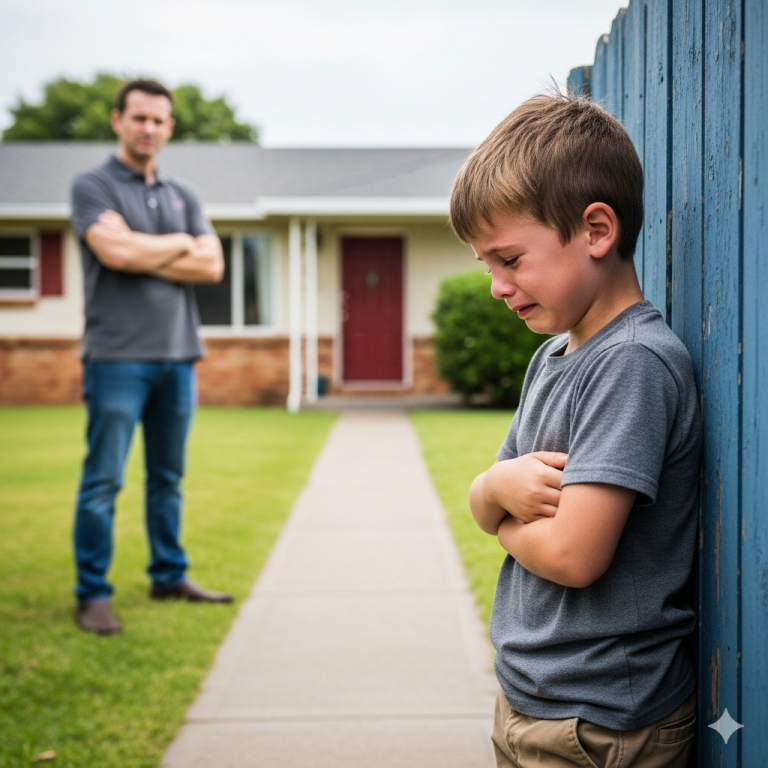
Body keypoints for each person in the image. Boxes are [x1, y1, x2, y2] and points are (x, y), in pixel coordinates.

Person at [450, 93, 701, 768]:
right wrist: (492, 486)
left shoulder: (633, 364)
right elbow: (487, 499)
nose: (498, 286)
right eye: (488, 267)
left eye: (510, 259)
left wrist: (499, 511)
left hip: (598, 725)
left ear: (595, 231)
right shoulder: (554, 355)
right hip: (536, 697)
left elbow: (572, 555)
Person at [70, 79, 233, 635]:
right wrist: (179, 245)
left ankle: (169, 574)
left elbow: (212, 266)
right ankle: (91, 593)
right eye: (139, 118)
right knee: (104, 480)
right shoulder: (91, 186)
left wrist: (141, 250)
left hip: (178, 355)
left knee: (168, 477)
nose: (149, 129)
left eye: (159, 121)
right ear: (118, 120)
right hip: (116, 357)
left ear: (169, 127)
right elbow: (112, 251)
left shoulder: (184, 193)